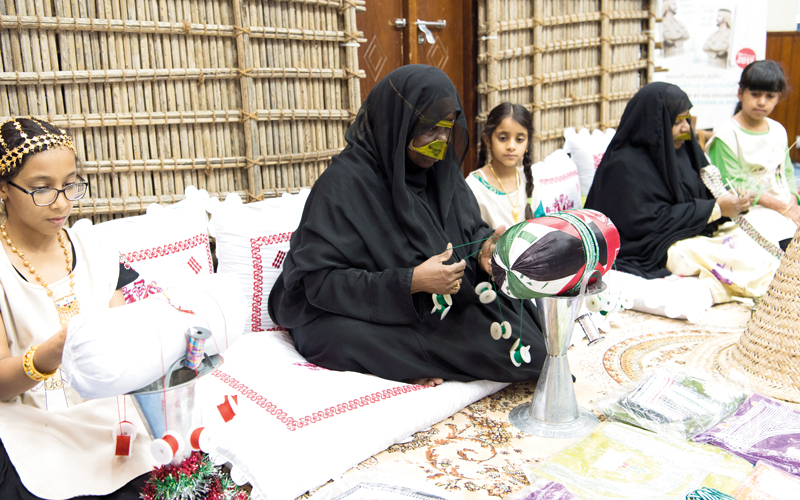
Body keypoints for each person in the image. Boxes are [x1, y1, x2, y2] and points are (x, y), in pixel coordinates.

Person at [268, 65, 546, 386]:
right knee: (337, 337)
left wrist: (485, 250)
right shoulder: (344, 185)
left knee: (526, 337)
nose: (441, 142)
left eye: (447, 129)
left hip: (435, 303)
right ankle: (413, 359)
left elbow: (470, 232)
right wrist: (411, 282)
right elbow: (318, 282)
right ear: (397, 126)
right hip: (358, 307)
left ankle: (423, 354)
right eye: (430, 131)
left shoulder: (439, 172)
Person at [0, 118, 153, 499]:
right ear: (3, 189)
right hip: (30, 421)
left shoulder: (95, 249)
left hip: (108, 414)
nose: (63, 202)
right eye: (42, 189)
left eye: (70, 184)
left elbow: (126, 344)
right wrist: (55, 350)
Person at [585, 82, 779, 303]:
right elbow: (644, 224)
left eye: (687, 119)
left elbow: (707, 194)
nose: (686, 127)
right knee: (731, 256)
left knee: (762, 227)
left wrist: (731, 202)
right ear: (654, 125)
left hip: (692, 230)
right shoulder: (623, 166)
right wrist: (715, 209)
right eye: (677, 122)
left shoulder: (682, 150)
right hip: (655, 245)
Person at [707, 60, 798, 249]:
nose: (762, 102)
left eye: (770, 96)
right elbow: (735, 184)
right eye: (755, 94)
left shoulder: (778, 130)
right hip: (748, 212)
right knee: (779, 247)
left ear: (778, 97)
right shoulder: (727, 135)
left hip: (783, 207)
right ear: (740, 93)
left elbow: (787, 172)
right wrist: (783, 208)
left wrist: (792, 201)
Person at [466, 102, 544, 228]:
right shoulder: (474, 186)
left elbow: (543, 228)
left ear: (527, 144)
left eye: (519, 139)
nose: (511, 146)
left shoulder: (529, 180)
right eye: (503, 138)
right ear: (488, 140)